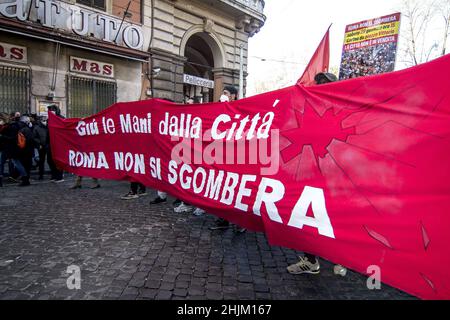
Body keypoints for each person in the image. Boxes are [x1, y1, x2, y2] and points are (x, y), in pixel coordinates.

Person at [287, 72, 347, 276]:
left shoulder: (341, 109)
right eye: (318, 83)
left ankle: (341, 256)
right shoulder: (308, 108)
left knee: (332, 218)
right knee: (308, 216)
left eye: (326, 83)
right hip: (310, 172)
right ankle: (311, 260)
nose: (321, 86)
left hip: (334, 175)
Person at [47, 105, 64, 182]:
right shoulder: (49, 119)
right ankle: (54, 175)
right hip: (50, 142)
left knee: (58, 160)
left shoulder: (61, 118)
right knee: (50, 160)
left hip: (58, 143)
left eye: (51, 110)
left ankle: (59, 176)